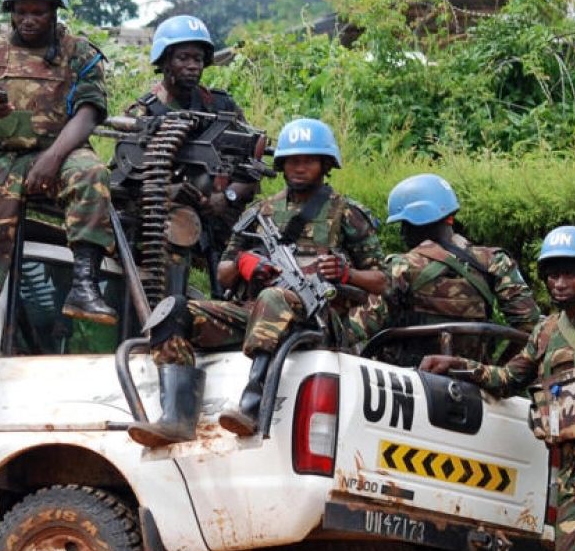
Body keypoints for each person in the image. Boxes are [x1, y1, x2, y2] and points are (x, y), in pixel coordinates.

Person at [128, 118, 385, 448]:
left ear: (325, 165)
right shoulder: (261, 212)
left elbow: (382, 281)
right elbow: (223, 273)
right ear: (281, 165)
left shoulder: (346, 213)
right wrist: (244, 264)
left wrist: (347, 274)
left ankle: (251, 405)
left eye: (308, 160)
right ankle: (176, 418)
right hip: (253, 315)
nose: (299, 167)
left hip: (315, 320)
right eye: (292, 160)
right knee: (173, 311)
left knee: (274, 297)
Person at [419, 225, 575, 551]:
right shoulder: (545, 331)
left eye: (569, 274)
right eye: (552, 274)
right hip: (574, 475)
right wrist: (460, 367)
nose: (559, 283)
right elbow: (508, 379)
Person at [0, 0, 117, 390]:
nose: (29, 19)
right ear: (11, 12)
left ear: (55, 11)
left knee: (93, 174)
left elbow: (90, 112)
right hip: (0, 157)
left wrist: (53, 159)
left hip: (61, 151)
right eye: (21, 11)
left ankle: (84, 286)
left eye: (38, 11)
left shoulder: (79, 53)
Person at [116, 15, 263, 299]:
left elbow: (254, 166)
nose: (193, 65)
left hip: (222, 215)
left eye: (198, 58)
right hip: (163, 216)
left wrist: (226, 197)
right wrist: (168, 191)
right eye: (183, 58)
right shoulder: (144, 113)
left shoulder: (221, 107)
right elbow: (123, 180)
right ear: (165, 60)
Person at [348, 173, 540, 364]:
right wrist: (498, 370)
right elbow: (530, 325)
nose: (402, 232)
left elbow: (358, 327)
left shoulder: (401, 267)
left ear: (416, 221)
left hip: (411, 377)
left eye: (404, 224)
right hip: (473, 376)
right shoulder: (495, 262)